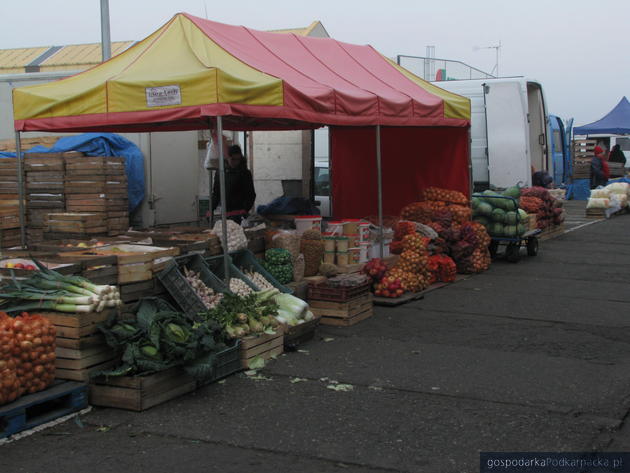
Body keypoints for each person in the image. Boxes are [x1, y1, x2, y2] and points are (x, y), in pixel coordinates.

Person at [211, 144, 256, 223]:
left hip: (239, 214)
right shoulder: (220, 173)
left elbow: (251, 195)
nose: (236, 162)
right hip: (225, 213)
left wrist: (244, 210)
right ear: (227, 158)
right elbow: (216, 194)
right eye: (233, 159)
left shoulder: (245, 173)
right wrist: (211, 208)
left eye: (238, 159)